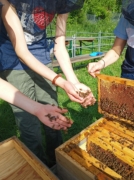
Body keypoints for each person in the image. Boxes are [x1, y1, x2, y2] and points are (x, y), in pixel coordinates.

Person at [0, 0, 95, 167]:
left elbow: (60, 46)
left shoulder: (65, 3)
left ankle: (58, 161)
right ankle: (39, 167)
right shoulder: (8, 4)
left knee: (53, 110)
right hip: (12, 60)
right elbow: (21, 51)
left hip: (41, 55)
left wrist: (73, 82)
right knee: (28, 122)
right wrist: (62, 82)